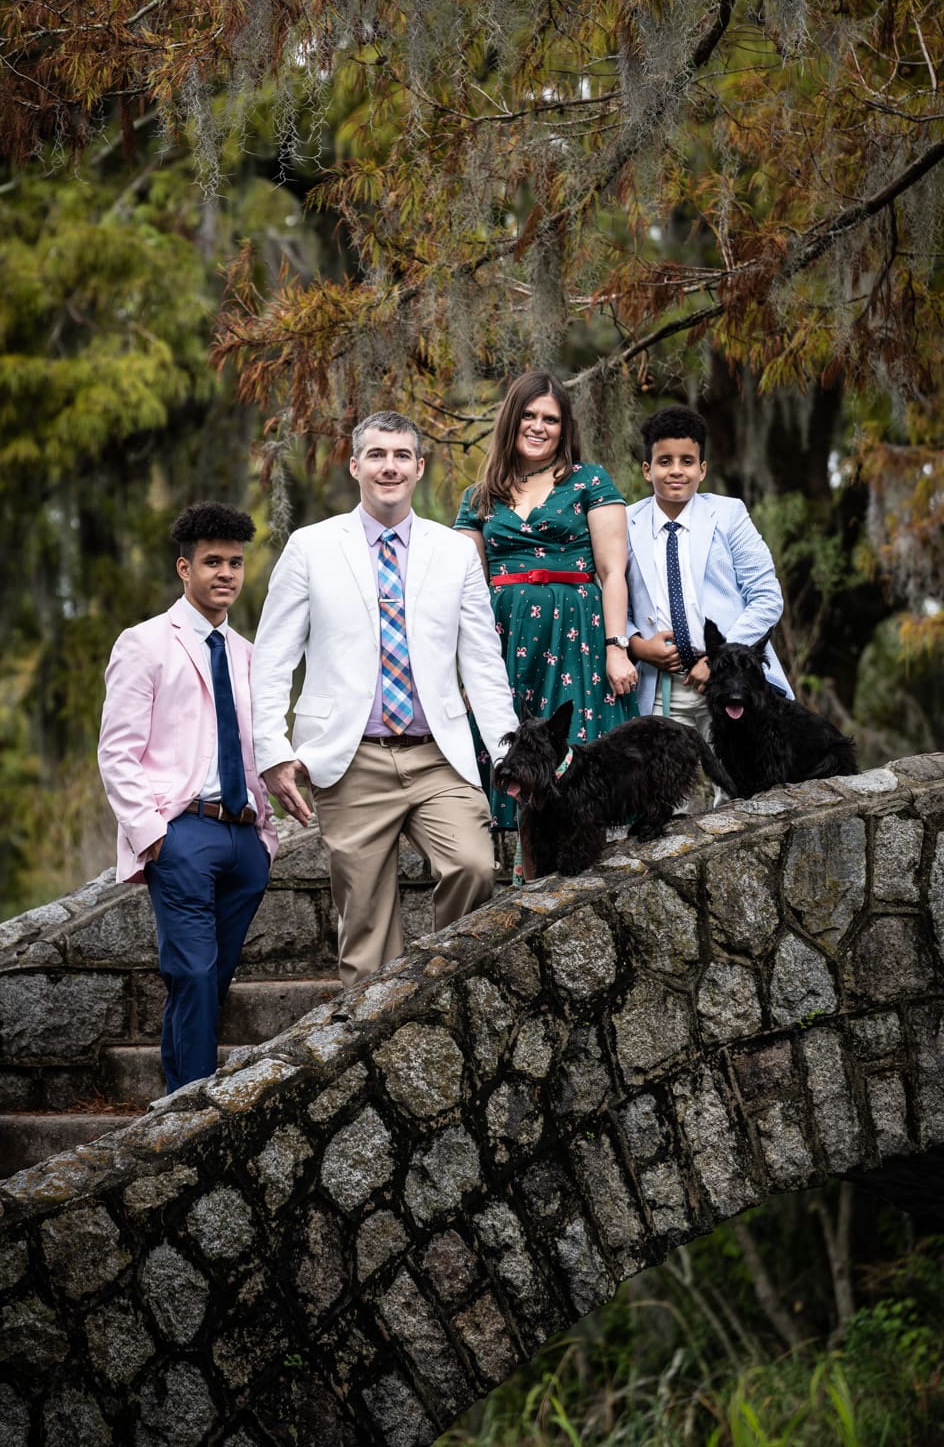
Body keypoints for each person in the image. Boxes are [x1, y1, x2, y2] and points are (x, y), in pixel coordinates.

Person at [251, 410, 518, 988]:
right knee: (366, 935)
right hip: (350, 761)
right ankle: (372, 1046)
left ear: (419, 467)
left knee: (474, 866)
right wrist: (271, 751)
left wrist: (506, 751)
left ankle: (445, 992)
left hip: (438, 755)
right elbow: (272, 658)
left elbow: (482, 663)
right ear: (355, 466)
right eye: (376, 455)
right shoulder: (310, 548)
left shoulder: (453, 553)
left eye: (401, 456)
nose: (389, 466)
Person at [97, 502, 279, 1094]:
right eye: (211, 563)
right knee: (194, 974)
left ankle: (179, 1100)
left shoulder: (251, 655)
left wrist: (266, 837)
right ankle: (194, 1112)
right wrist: (153, 835)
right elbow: (117, 751)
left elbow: (259, 748)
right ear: (184, 568)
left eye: (234, 563)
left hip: (244, 839)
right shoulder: (144, 643)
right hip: (183, 834)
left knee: (210, 978)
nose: (225, 573)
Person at [454, 369, 640, 834]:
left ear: (565, 428)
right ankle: (512, 860)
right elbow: (464, 586)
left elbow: (612, 570)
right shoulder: (477, 497)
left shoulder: (589, 481)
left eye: (551, 419)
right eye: (529, 415)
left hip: (574, 635)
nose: (539, 426)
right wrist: (460, 666)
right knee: (505, 744)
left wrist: (617, 646)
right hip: (503, 637)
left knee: (572, 744)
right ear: (512, 420)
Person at [625, 405, 793, 738]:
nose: (676, 471)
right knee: (664, 785)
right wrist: (638, 646)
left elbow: (767, 597)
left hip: (732, 684)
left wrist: (721, 661)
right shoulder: (625, 524)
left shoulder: (729, 515)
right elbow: (612, 601)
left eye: (687, 461)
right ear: (647, 470)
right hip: (659, 685)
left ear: (702, 469)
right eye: (664, 461)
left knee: (742, 784)